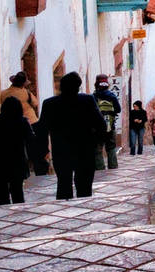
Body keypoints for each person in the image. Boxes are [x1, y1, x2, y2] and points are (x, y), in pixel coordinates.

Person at [38, 71, 108, 200]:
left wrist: (43, 151)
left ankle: (65, 211)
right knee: (84, 187)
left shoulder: (49, 104)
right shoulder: (87, 100)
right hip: (84, 149)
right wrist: (98, 143)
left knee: (63, 184)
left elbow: (42, 129)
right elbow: (100, 124)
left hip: (61, 150)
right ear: (78, 86)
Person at [0, 72, 46, 176]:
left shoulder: (3, 93)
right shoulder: (26, 93)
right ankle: (39, 170)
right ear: (23, 84)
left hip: (11, 124)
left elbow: (2, 104)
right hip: (31, 121)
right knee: (34, 148)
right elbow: (35, 103)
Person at [92, 75, 122, 169]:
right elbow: (118, 109)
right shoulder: (112, 95)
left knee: (97, 149)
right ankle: (113, 166)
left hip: (97, 128)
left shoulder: (93, 96)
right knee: (111, 147)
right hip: (110, 126)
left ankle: (100, 168)